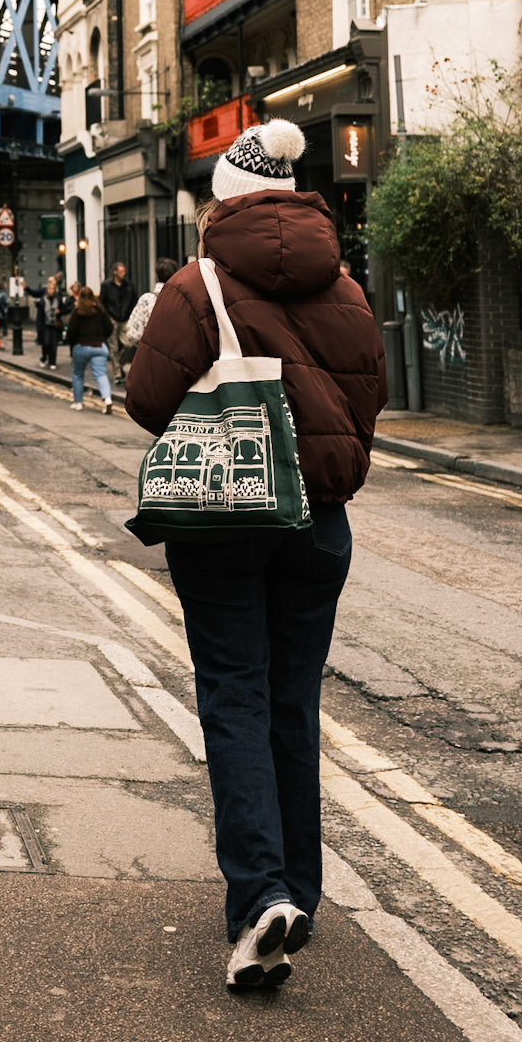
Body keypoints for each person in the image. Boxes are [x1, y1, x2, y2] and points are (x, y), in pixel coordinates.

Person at [125, 120, 385, 994]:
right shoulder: (346, 287)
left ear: (222, 204)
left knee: (234, 697)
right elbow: (370, 398)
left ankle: (259, 899)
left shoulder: (195, 283)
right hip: (319, 523)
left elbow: (148, 401)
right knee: (291, 706)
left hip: (225, 518)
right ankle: (297, 891)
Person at [63, 284, 115, 412]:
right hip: (99, 347)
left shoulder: (77, 311)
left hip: (81, 346)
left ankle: (78, 402)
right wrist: (101, 338)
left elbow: (71, 331)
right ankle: (107, 399)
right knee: (101, 374)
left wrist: (72, 343)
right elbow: (110, 327)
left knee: (77, 374)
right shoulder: (100, 310)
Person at [122, 256, 178, 354]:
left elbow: (133, 334)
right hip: (174, 355)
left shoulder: (146, 299)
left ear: (157, 276)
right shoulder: (180, 301)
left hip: (149, 355)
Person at [100, 263, 138, 385]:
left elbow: (134, 301)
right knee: (113, 348)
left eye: (124, 271)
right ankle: (117, 374)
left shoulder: (129, 285)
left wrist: (131, 315)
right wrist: (108, 317)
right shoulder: (106, 285)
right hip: (113, 319)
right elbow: (102, 302)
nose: (124, 273)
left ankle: (120, 363)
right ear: (115, 272)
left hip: (126, 319)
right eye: (121, 271)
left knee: (129, 343)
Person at [35, 275, 70, 368]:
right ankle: (44, 358)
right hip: (45, 325)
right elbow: (39, 315)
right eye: (49, 289)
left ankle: (52, 362)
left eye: (52, 289)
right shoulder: (43, 300)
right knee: (46, 343)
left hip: (55, 324)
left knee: (54, 345)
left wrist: (59, 311)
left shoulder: (58, 299)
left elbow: (65, 309)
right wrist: (38, 328)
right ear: (47, 290)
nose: (51, 291)